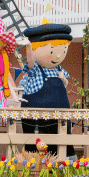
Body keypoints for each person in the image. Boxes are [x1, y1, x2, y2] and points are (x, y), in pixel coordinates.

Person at [19, 22, 73, 154]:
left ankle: (64, 164)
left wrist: (64, 80)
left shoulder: (59, 69)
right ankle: (35, 165)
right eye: (52, 51)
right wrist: (28, 48)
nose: (59, 56)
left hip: (60, 117)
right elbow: (31, 62)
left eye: (63, 50)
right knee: (37, 146)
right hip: (38, 119)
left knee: (62, 143)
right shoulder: (36, 70)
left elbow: (64, 86)